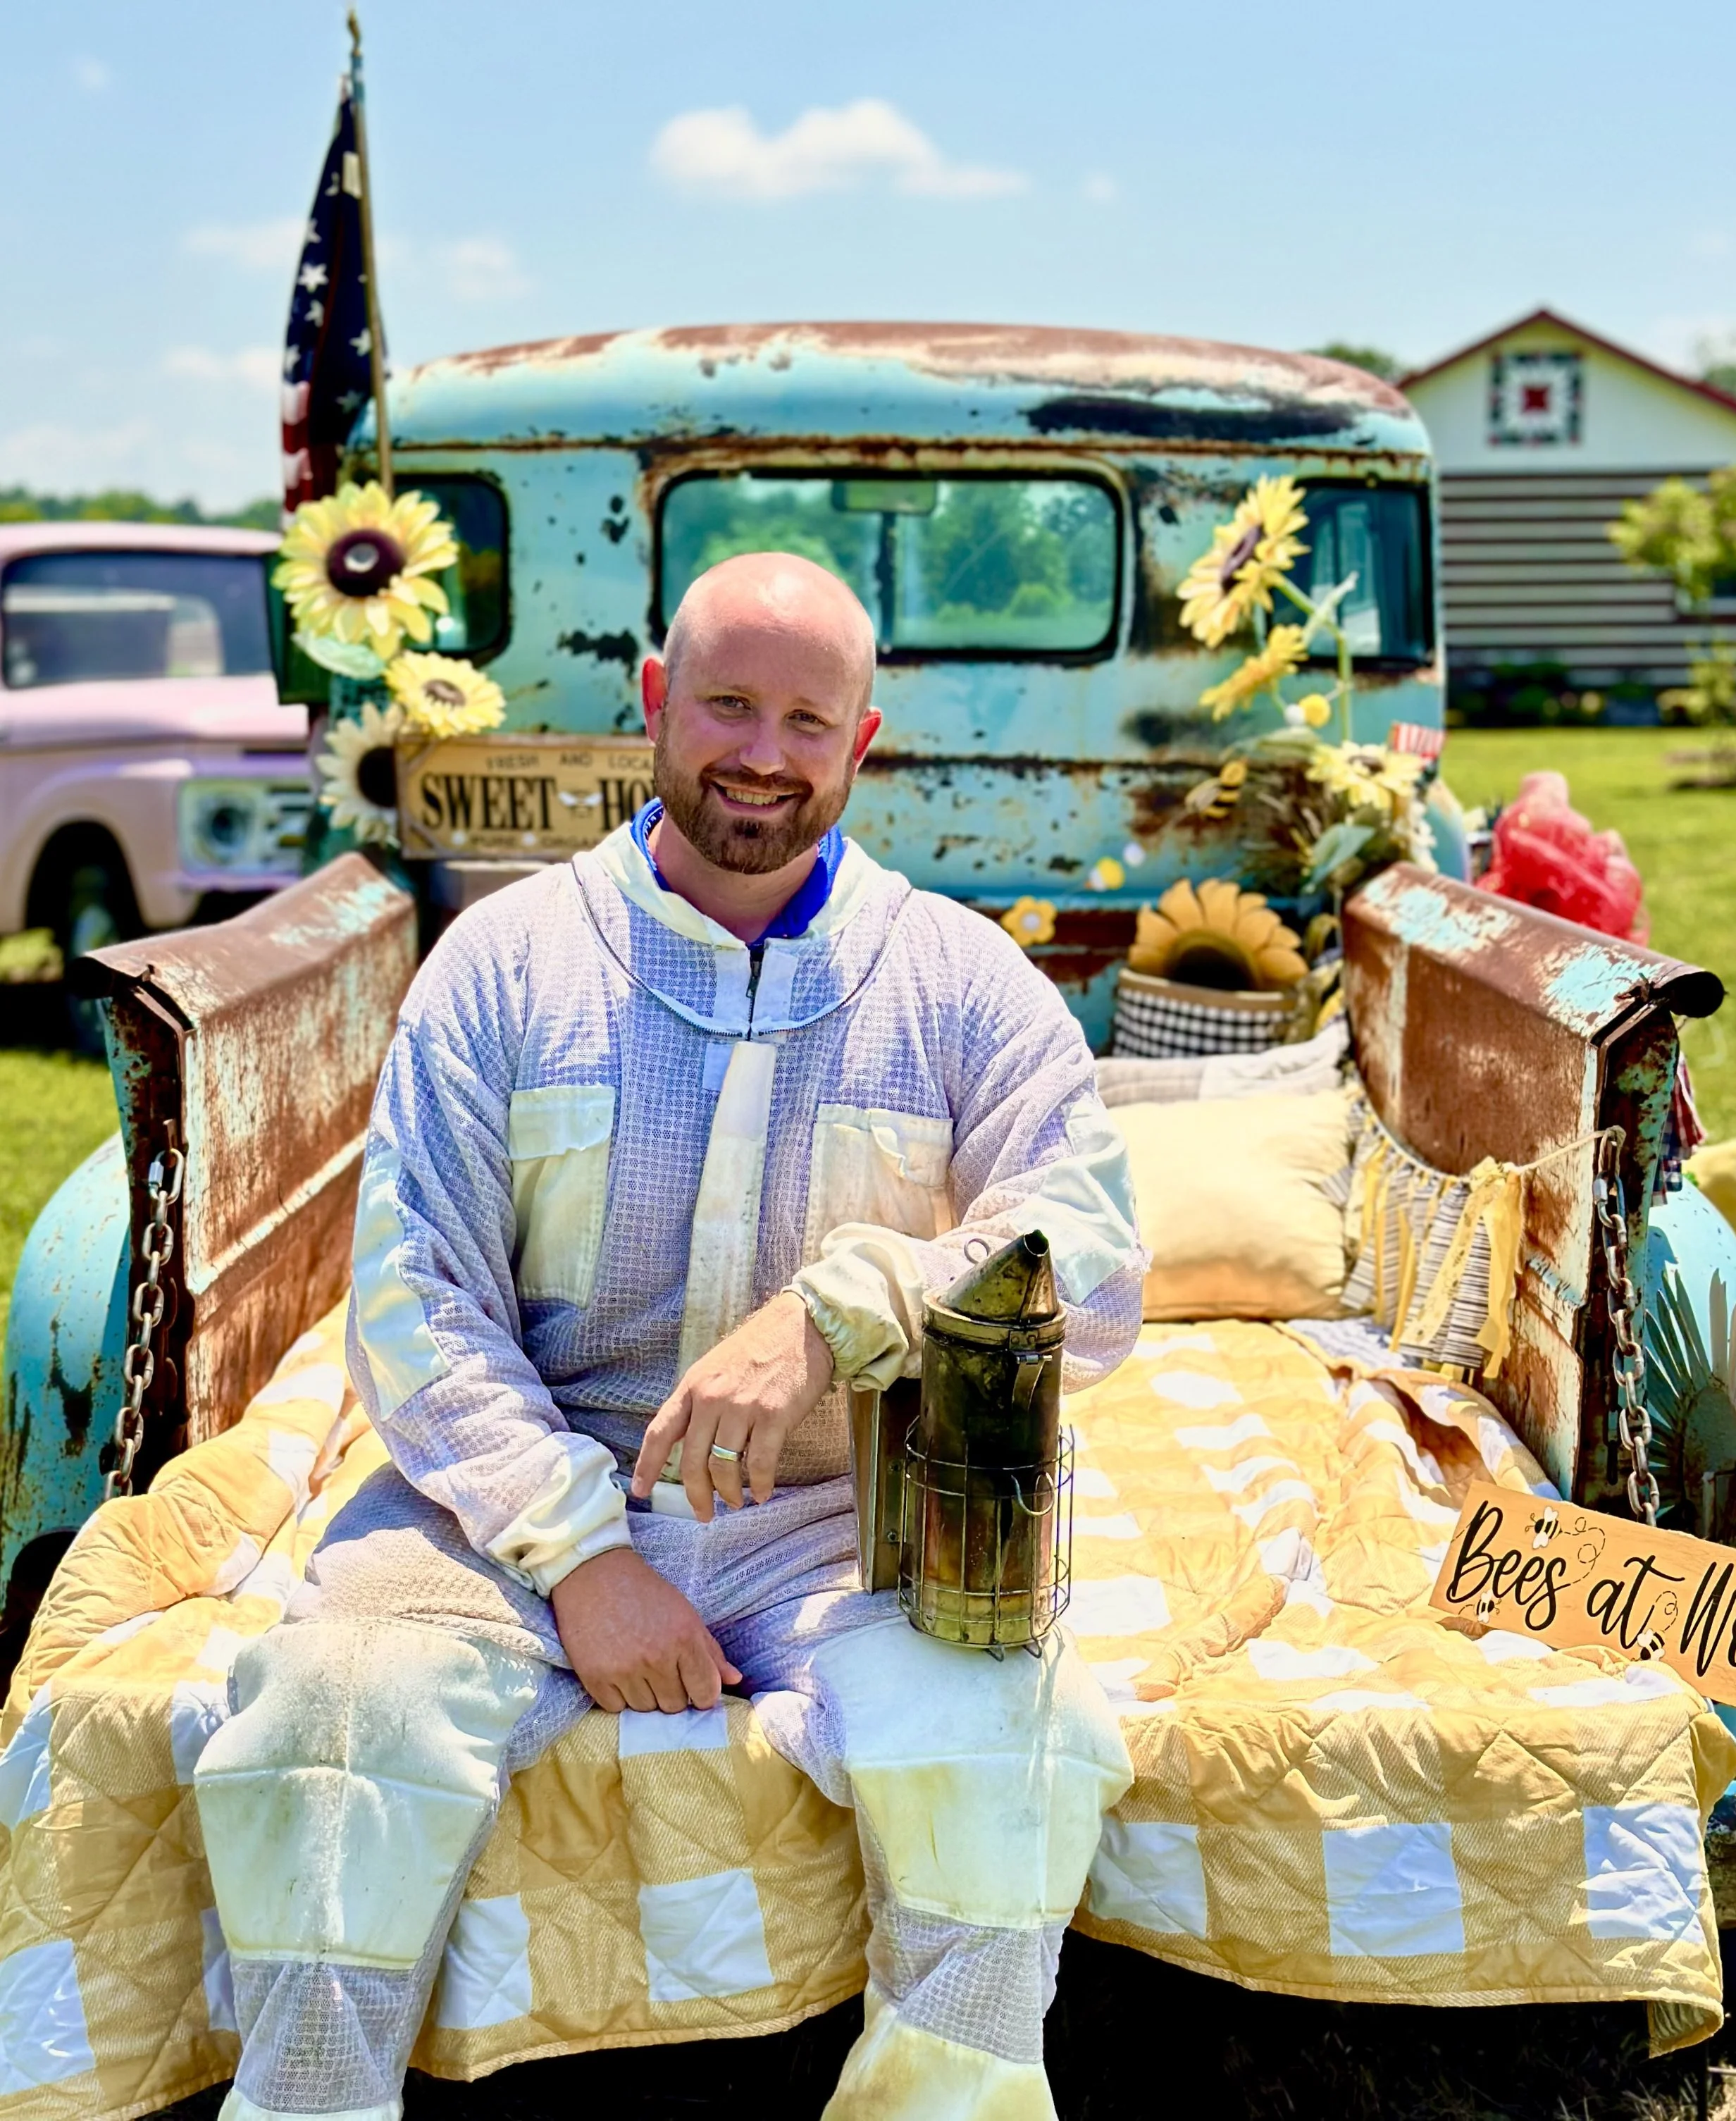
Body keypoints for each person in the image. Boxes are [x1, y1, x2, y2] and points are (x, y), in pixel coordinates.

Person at [194, 551, 1144, 2121]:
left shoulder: (962, 980)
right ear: (652, 700)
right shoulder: (502, 964)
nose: (759, 752)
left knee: (1009, 1732)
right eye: (723, 702)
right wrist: (583, 1557)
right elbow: (413, 1296)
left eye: (802, 716)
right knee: (332, 1716)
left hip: (839, 1515)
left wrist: (849, 1309)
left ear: (862, 741)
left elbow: (1092, 1263)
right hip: (499, 1510)